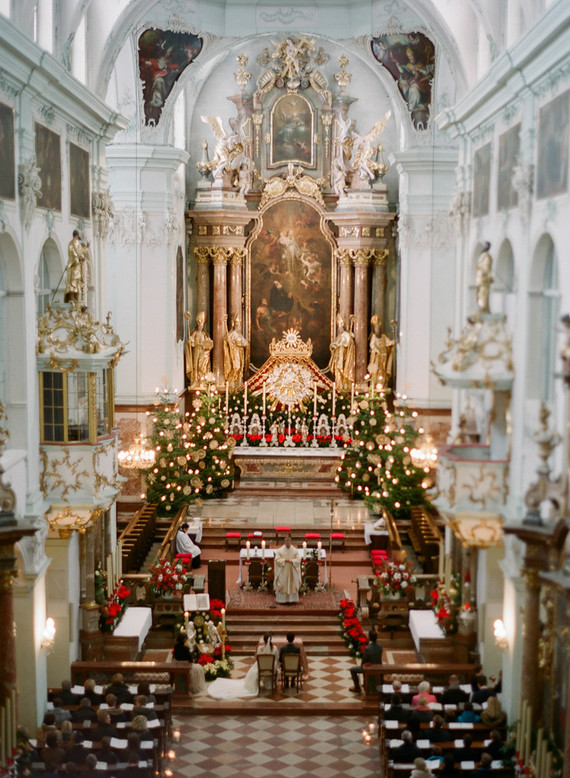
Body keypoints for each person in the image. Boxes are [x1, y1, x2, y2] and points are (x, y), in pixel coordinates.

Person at [207, 633, 278, 699]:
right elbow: (277, 659)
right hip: (271, 668)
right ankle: (271, 684)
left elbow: (257, 659)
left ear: (264, 640)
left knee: (252, 672)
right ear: (271, 639)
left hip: (261, 668)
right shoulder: (274, 649)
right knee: (275, 669)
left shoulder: (260, 648)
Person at [185, 310, 213, 388]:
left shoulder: (205, 334)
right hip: (196, 350)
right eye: (199, 324)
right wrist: (190, 341)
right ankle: (195, 380)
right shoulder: (194, 333)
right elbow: (190, 342)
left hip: (203, 351)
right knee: (195, 365)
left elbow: (209, 343)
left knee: (202, 366)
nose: (201, 326)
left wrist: (208, 343)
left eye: (202, 325)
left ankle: (202, 380)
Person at [349, 630, 382, 694]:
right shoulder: (380, 646)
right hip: (379, 666)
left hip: (369, 668)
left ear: (369, 637)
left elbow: (363, 661)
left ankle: (357, 688)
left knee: (352, 670)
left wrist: (362, 666)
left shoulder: (368, 648)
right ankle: (365, 683)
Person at [328, 314, 355, 392]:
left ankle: (344, 384)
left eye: (340, 328)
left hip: (343, 356)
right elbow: (333, 344)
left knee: (343, 369)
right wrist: (334, 347)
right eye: (339, 328)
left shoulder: (347, 335)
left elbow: (349, 344)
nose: (340, 329)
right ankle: (339, 384)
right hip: (338, 355)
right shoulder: (339, 336)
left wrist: (346, 343)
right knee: (338, 369)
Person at [368, 314, 395, 389]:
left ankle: (382, 384)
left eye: (379, 329)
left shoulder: (383, 336)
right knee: (376, 370)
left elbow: (388, 342)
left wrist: (393, 342)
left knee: (382, 370)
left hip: (383, 356)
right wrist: (377, 350)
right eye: (376, 329)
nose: (378, 331)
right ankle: (374, 383)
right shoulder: (373, 336)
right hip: (377, 356)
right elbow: (372, 345)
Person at [223, 316, 249, 392]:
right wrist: (232, 343)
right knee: (236, 367)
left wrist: (241, 343)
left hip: (240, 353)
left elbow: (245, 343)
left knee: (240, 368)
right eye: (238, 326)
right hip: (235, 353)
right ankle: (231, 382)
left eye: (240, 326)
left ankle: (238, 382)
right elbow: (227, 340)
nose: (239, 328)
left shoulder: (239, 335)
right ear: (236, 327)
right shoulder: (232, 334)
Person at [64, 230, 90, 305]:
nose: (81, 235)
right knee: (73, 281)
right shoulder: (73, 243)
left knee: (77, 280)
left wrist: (87, 248)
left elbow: (81, 252)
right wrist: (78, 258)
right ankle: (71, 296)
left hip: (77, 266)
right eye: (80, 234)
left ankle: (74, 297)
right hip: (74, 265)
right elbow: (74, 253)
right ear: (77, 235)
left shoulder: (78, 243)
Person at [274, 535, 301, 604]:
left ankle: (291, 599)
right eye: (287, 543)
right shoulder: (280, 550)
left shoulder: (295, 550)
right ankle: (282, 600)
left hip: (292, 570)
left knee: (292, 584)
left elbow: (298, 560)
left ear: (291, 542)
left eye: (289, 543)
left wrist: (292, 561)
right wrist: (284, 560)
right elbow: (277, 559)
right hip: (283, 570)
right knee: (283, 584)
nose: (288, 545)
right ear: (285, 542)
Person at [475, 241, 493, 314]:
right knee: (479, 293)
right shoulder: (483, 255)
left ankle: (484, 307)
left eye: (485, 245)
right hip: (480, 277)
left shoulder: (486, 256)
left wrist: (484, 273)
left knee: (483, 292)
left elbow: (486, 267)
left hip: (483, 278)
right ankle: (481, 306)